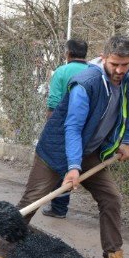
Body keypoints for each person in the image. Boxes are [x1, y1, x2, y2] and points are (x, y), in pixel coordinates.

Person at [0, 35, 129, 258]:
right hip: (57, 150)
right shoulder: (86, 83)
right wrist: (73, 167)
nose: (120, 71)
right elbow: (73, 127)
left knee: (111, 198)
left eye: (125, 64)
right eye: (115, 64)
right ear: (103, 58)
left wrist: (128, 141)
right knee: (32, 200)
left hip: (92, 151)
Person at [42, 38, 90, 219]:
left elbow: (54, 103)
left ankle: (59, 208)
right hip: (89, 128)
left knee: (59, 166)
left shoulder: (61, 72)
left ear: (68, 53)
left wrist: (50, 129)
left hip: (65, 127)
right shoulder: (94, 72)